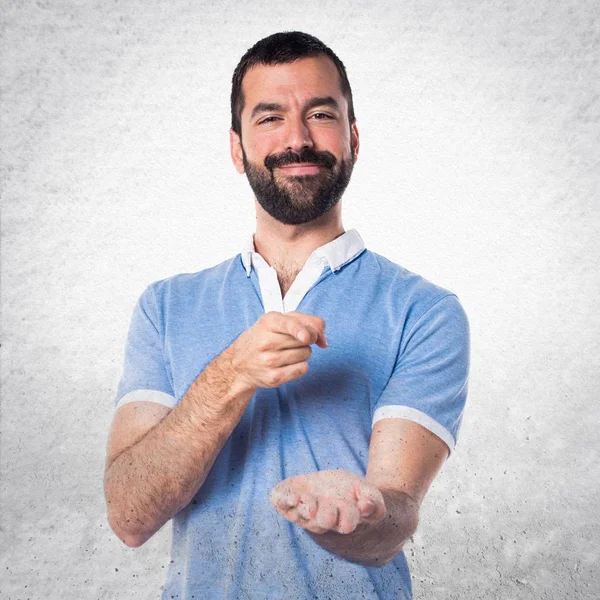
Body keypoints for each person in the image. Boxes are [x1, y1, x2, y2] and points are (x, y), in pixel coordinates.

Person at [104, 31, 470, 600]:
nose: (297, 139)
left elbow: (394, 519)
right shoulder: (166, 307)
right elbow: (129, 515)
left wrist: (356, 512)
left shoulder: (425, 312)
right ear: (236, 147)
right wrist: (233, 373)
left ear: (352, 138)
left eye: (320, 114)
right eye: (270, 117)